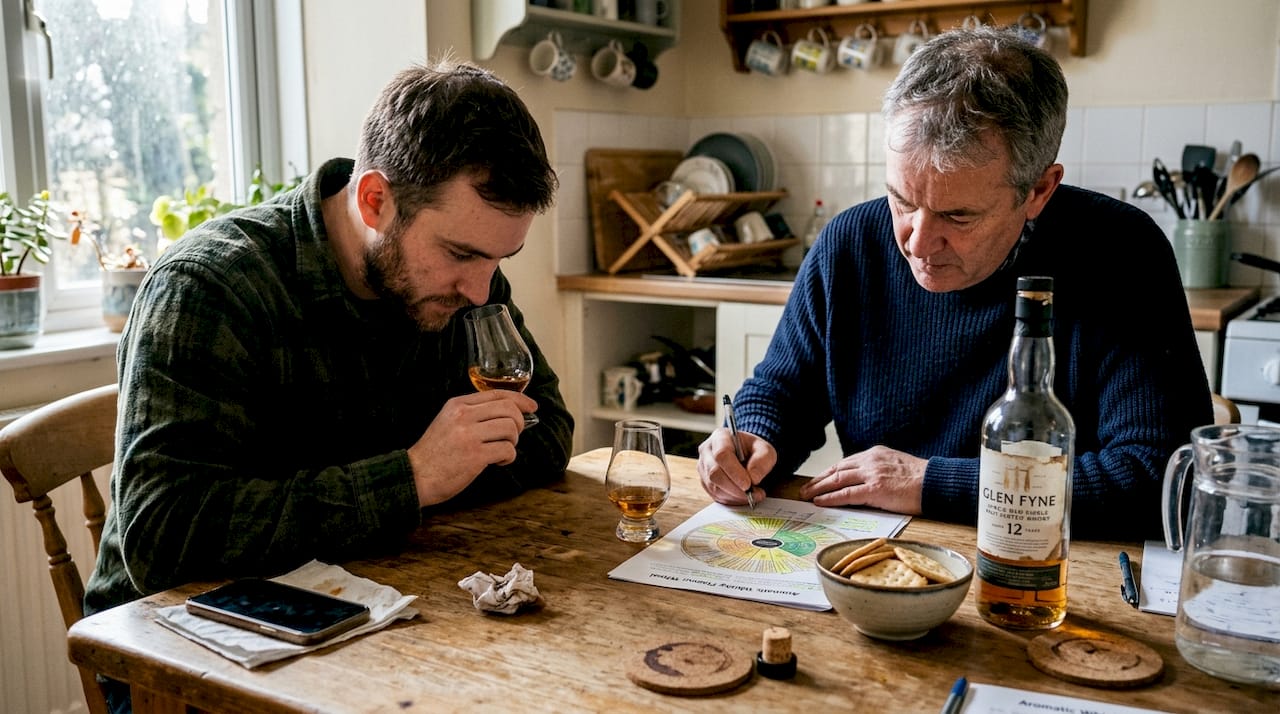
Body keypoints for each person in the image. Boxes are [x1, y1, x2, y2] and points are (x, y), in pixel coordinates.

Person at [85, 59, 574, 710]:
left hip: (381, 622)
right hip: (189, 665)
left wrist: (440, 473)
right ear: (376, 200)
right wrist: (411, 480)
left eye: (499, 260)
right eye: (461, 254)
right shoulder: (209, 289)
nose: (484, 290)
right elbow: (164, 537)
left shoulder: (463, 288)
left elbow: (548, 434)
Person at [698, 27, 1210, 541]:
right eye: (901, 199)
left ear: (1038, 191)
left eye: (958, 216)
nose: (917, 244)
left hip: (1045, 571)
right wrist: (751, 435)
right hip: (883, 560)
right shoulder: (850, 243)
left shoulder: (1121, 252)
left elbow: (1163, 478)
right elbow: (784, 393)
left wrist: (931, 482)